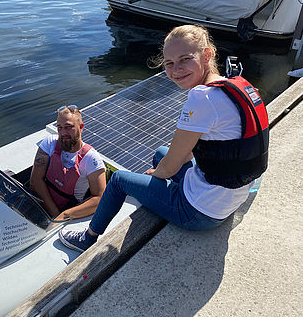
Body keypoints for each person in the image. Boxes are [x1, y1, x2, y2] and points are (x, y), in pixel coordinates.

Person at [58, 24, 269, 252]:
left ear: (206, 55)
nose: (175, 69)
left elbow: (169, 168)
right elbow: (188, 151)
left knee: (119, 180)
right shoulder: (233, 85)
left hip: (198, 213)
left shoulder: (202, 98)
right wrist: (162, 170)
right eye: (169, 63)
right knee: (161, 152)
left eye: (185, 59)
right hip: (228, 198)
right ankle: (159, 192)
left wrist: (157, 175)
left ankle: (87, 238)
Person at [29, 105, 106, 221]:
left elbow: (99, 199)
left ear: (81, 127)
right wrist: (54, 213)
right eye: (59, 127)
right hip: (41, 203)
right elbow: (35, 180)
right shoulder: (50, 143)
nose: (63, 133)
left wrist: (63, 215)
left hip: (67, 211)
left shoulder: (91, 158)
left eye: (68, 127)